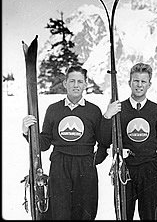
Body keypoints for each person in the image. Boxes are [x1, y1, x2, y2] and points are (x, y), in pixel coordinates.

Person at [21, 65, 120, 220]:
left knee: (85, 211)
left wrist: (94, 161)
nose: (76, 85)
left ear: (85, 84)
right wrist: (28, 133)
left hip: (85, 165)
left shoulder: (93, 111)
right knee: (59, 211)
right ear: (65, 83)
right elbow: (44, 143)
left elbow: (103, 141)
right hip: (60, 165)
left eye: (80, 81)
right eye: (72, 81)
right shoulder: (54, 109)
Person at [100, 62, 157, 220]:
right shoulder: (119, 108)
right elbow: (104, 140)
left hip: (149, 171)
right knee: (124, 215)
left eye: (143, 81)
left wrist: (156, 164)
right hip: (125, 170)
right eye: (136, 81)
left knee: (150, 215)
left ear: (149, 84)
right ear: (129, 83)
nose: (139, 85)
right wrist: (107, 116)